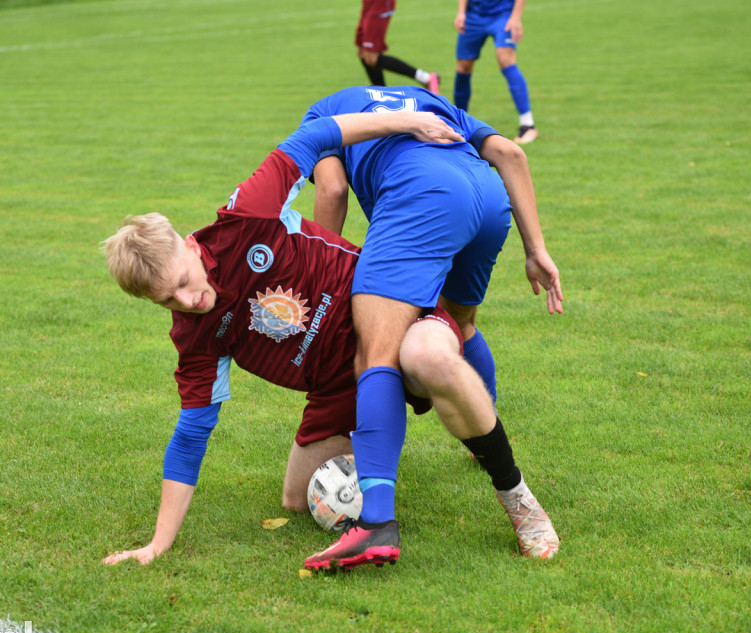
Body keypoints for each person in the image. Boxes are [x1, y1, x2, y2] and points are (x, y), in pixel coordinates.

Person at [100, 109, 558, 568]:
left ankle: (517, 498)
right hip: (338, 386)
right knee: (298, 500)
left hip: (390, 313)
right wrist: (157, 544)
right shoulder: (194, 338)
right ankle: (383, 446)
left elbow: (317, 135)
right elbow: (190, 436)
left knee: (429, 356)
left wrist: (406, 121)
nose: (189, 300)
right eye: (169, 300)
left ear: (186, 243)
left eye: (184, 280)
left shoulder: (245, 216)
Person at [298, 85, 562, 570]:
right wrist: (536, 249)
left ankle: (374, 524)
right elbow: (509, 153)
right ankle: (485, 443)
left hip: (422, 194)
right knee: (459, 327)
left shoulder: (323, 112)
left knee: (374, 353)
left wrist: (326, 276)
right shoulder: (424, 97)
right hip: (487, 198)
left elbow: (332, 188)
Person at [453, 0, 536, 144]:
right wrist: (461, 12)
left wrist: (516, 18)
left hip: (503, 15)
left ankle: (528, 125)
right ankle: (458, 123)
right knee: (463, 66)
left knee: (506, 60)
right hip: (473, 14)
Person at [356, 0, 440, 95]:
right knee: (362, 52)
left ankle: (426, 78)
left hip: (379, 4)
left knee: (371, 57)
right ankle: (381, 97)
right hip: (368, 3)